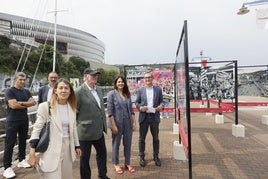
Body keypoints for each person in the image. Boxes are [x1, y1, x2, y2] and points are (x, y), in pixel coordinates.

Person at [28, 78, 81, 179]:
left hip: (68, 148)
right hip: (50, 149)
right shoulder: (45, 107)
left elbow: (73, 128)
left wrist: (77, 146)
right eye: (60, 88)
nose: (64, 90)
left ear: (70, 92)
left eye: (66, 88)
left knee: (67, 176)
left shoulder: (72, 108)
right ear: (55, 91)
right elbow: (37, 129)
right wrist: (32, 153)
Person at [75, 67, 109, 179]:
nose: (95, 77)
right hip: (85, 132)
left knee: (102, 154)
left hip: (98, 130)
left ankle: (102, 175)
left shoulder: (99, 90)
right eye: (92, 75)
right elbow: (74, 112)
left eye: (96, 75)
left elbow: (100, 108)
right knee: (85, 159)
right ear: (85, 77)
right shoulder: (78, 92)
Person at [3, 72, 36, 178]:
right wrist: (25, 104)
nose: (22, 81)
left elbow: (33, 103)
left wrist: (20, 103)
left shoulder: (26, 91)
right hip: (12, 121)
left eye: (24, 80)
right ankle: (7, 167)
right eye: (20, 79)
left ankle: (21, 160)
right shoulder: (9, 91)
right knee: (10, 144)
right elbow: (13, 105)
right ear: (15, 79)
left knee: (23, 141)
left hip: (24, 120)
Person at [107, 76, 136, 175]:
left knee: (128, 143)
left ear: (124, 83)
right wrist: (113, 125)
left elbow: (131, 110)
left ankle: (127, 163)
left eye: (122, 82)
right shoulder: (111, 94)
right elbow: (110, 112)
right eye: (119, 82)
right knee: (116, 144)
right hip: (117, 123)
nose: (120, 83)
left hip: (128, 123)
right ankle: (116, 164)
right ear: (115, 83)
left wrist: (134, 122)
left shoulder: (127, 94)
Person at [135, 71, 164, 167]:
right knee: (141, 139)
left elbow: (162, 102)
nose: (147, 79)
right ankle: (142, 157)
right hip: (144, 117)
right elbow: (137, 102)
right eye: (146, 78)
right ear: (144, 79)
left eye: (149, 77)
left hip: (154, 116)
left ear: (152, 78)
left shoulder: (158, 90)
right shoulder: (140, 90)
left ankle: (156, 156)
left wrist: (161, 106)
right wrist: (140, 108)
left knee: (156, 138)